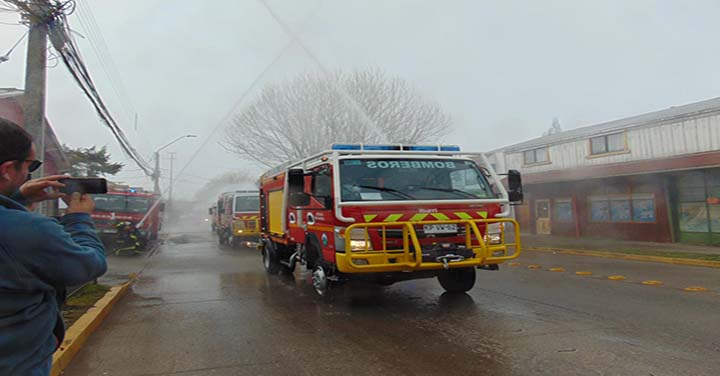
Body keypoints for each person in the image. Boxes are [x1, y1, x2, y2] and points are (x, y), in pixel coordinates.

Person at [0, 118, 107, 375]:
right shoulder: (25, 230)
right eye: (31, 165)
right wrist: (79, 219)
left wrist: (17, 197)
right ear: (6, 170)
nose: (30, 173)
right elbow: (88, 264)